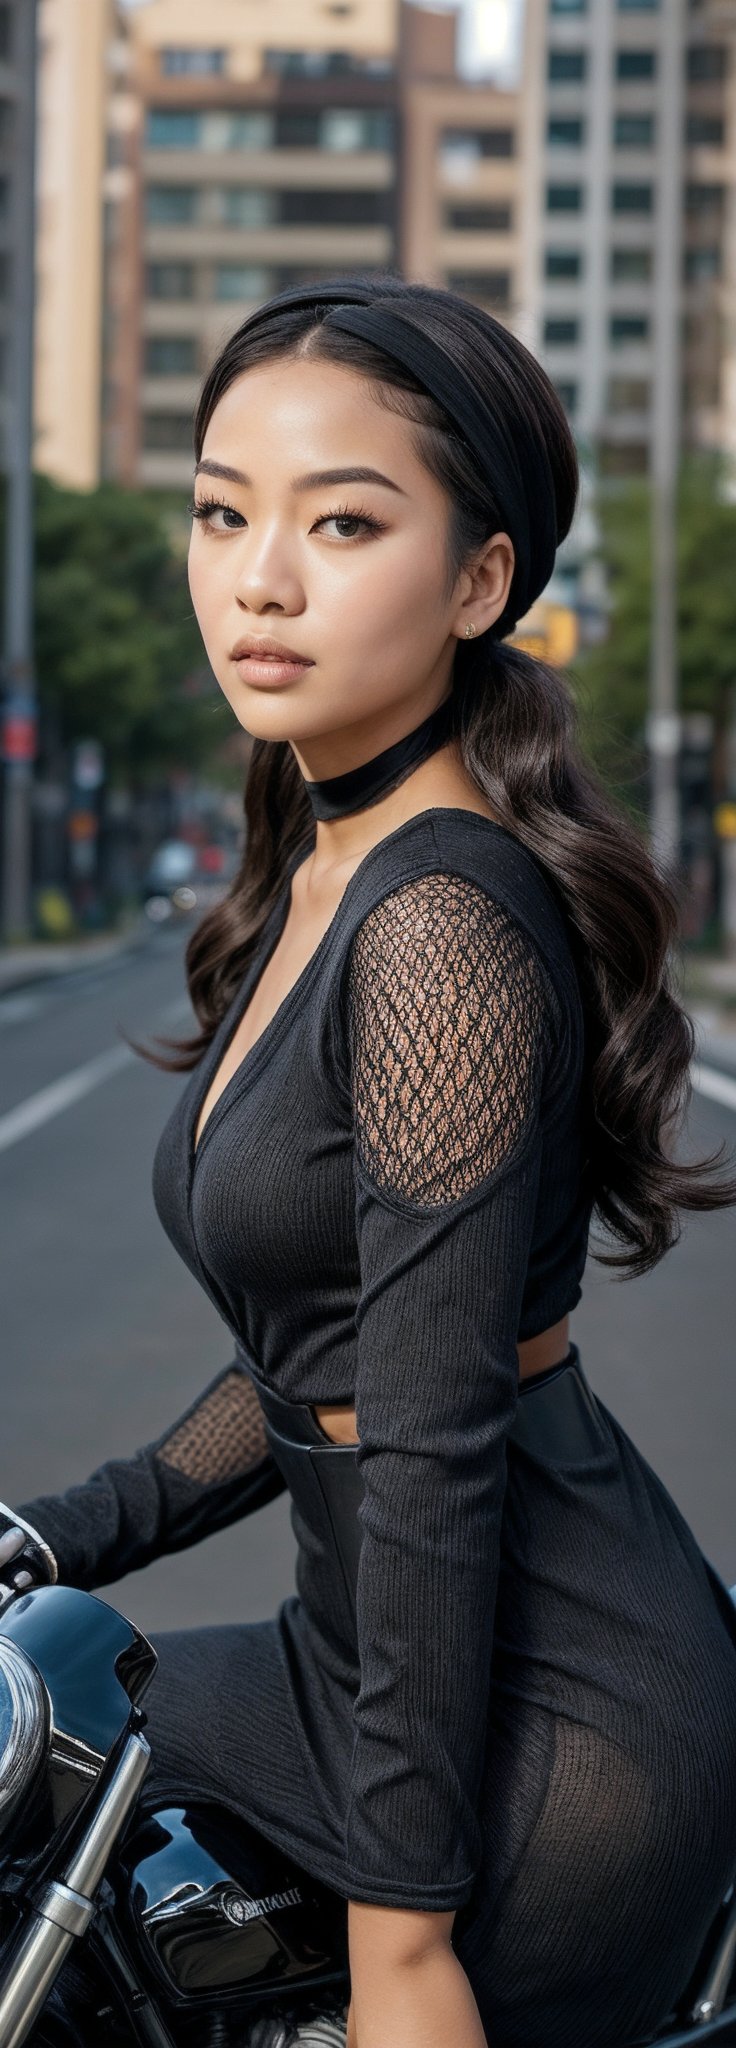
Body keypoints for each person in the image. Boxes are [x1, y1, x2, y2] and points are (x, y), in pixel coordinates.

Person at [5, 274, 736, 2048]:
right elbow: (328, 1345)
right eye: (221, 512)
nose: (260, 578)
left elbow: (421, 1434)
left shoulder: (435, 931)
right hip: (388, 1664)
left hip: (544, 1724)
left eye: (344, 521)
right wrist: (60, 1527)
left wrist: (410, 1947)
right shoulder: (325, 856)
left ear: (481, 580)